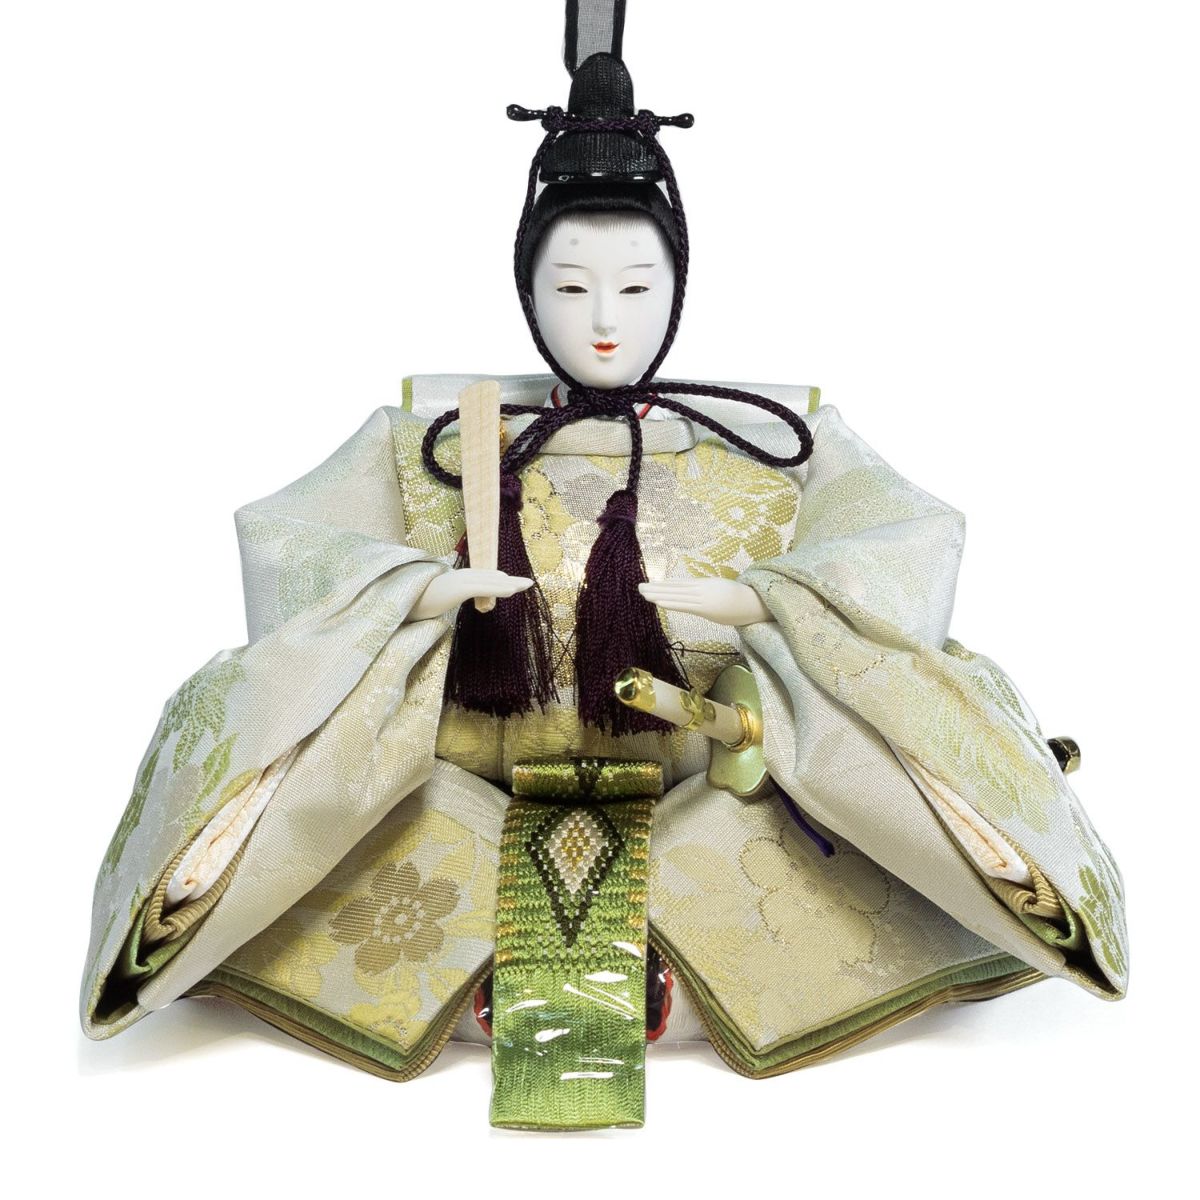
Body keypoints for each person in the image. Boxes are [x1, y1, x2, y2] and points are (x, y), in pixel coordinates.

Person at [80, 35, 1126, 1129]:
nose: (605, 321)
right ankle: (520, 973)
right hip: (454, 792)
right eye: (571, 287)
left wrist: (778, 601)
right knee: (352, 859)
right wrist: (412, 592)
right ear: (527, 289)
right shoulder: (425, 438)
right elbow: (299, 547)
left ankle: (656, 973)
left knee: (796, 874)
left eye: (635, 286)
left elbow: (905, 542)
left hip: (717, 793)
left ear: (679, 287)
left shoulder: (787, 442)